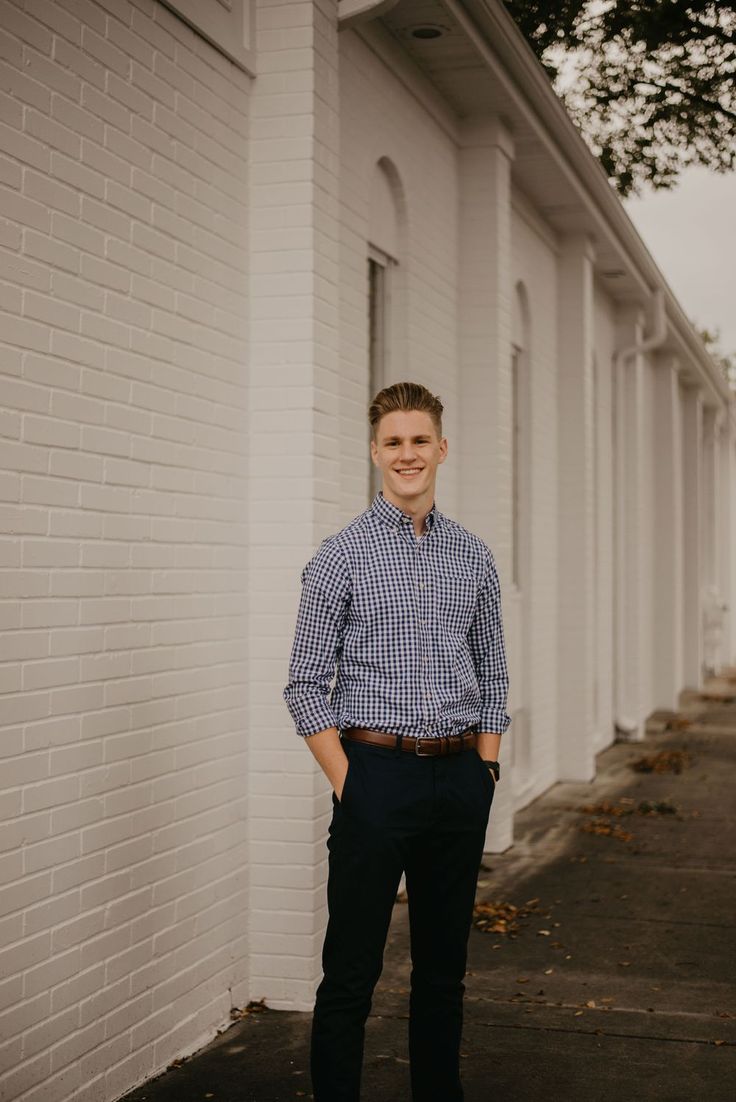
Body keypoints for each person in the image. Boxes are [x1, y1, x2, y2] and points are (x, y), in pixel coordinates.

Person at [283, 381, 511, 1102]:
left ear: (441, 449)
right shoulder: (338, 558)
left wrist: (486, 773)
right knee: (351, 975)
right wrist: (354, 785)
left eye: (420, 441)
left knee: (444, 975)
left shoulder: (473, 557)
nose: (407, 454)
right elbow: (302, 686)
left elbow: (495, 673)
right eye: (393, 442)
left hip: (458, 781)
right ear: (374, 452)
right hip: (374, 776)